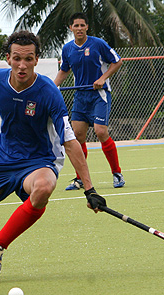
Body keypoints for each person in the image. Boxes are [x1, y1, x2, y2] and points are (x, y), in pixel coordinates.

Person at [0, 31, 106, 281]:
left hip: (38, 160)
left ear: (36, 60)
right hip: (1, 159)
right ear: (8, 59)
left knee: (44, 187)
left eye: (28, 59)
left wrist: (89, 189)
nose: (22, 65)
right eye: (16, 58)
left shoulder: (49, 92)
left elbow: (70, 140)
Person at [54, 12, 125, 190]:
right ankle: (79, 179)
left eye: (82, 25)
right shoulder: (67, 49)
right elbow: (64, 70)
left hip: (99, 95)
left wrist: (103, 78)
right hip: (80, 96)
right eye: (75, 26)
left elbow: (117, 62)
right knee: (77, 137)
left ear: (87, 27)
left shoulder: (98, 44)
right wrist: (52, 86)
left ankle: (117, 173)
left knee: (101, 132)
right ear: (70, 28)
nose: (79, 29)